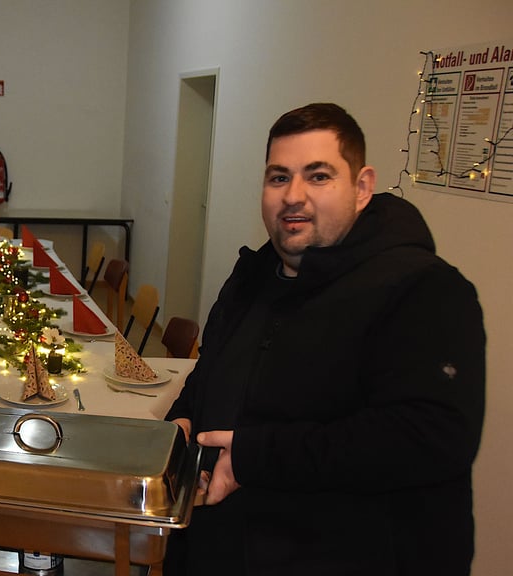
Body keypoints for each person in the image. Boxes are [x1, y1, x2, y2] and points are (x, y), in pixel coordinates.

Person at [165, 103, 485, 575]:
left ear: (361, 188)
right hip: (224, 545)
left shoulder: (424, 290)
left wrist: (256, 457)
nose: (293, 196)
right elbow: (207, 378)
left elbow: (430, 439)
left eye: (318, 176)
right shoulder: (251, 278)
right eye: (278, 178)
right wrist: (180, 425)